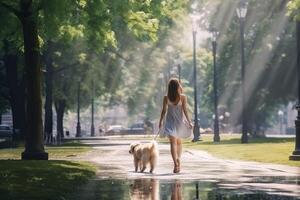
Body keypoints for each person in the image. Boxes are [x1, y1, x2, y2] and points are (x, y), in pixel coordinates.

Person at [158, 78, 193, 173]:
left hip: (170, 122)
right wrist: (189, 122)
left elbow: (164, 111)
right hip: (179, 122)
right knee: (178, 142)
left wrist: (160, 121)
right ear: (178, 86)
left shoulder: (166, 97)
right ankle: (178, 160)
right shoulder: (183, 97)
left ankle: (175, 163)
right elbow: (185, 110)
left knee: (173, 143)